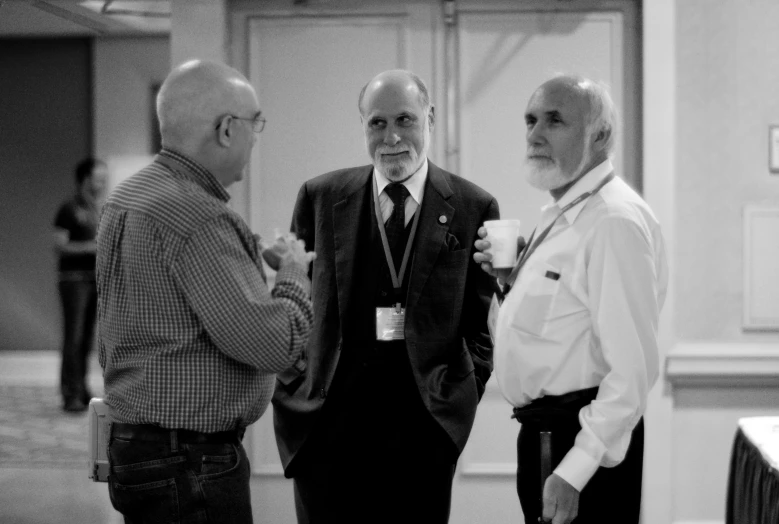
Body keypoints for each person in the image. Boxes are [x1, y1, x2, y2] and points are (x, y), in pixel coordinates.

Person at [271, 69, 500, 523]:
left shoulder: (474, 207)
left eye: (405, 120)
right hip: (328, 430)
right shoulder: (320, 197)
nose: (392, 137)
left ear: (429, 118)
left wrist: (460, 397)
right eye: (377, 123)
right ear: (362, 126)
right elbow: (298, 307)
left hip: (424, 433)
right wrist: (295, 384)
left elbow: (478, 326)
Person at [96, 59, 315, 524]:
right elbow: (275, 345)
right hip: (189, 462)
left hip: (140, 446)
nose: (257, 137)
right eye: (256, 124)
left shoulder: (130, 195)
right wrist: (295, 272)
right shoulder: (200, 217)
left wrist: (241, 261)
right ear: (226, 129)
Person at [474, 75, 668, 524]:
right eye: (530, 120)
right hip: (544, 436)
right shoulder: (564, 216)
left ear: (600, 135)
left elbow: (633, 370)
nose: (535, 134)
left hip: (579, 447)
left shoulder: (612, 220)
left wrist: (576, 470)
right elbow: (550, 330)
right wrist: (508, 281)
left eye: (554, 120)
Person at [53, 157, 107, 412]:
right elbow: (59, 245)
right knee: (73, 338)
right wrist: (91, 247)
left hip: (92, 280)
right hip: (73, 282)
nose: (102, 183)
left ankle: (82, 387)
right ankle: (69, 393)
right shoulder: (69, 208)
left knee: (86, 338)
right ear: (85, 179)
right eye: (98, 178)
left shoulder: (99, 208)